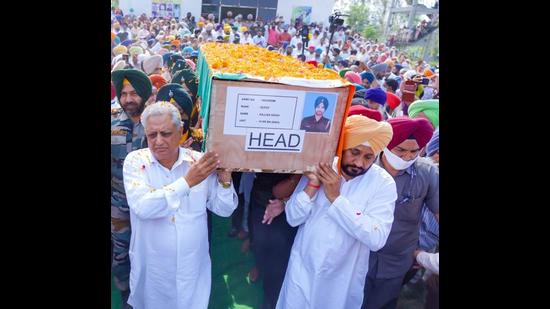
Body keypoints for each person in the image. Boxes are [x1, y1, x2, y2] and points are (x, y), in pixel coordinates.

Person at [123, 102, 238, 309]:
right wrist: (187, 182)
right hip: (154, 272)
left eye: (165, 133)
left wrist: (225, 180)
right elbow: (143, 206)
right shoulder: (135, 161)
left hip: (191, 269)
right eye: (152, 135)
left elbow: (224, 209)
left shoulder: (198, 162)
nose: (158, 141)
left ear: (180, 132)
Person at [277, 115, 397, 309]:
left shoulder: (383, 183)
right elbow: (293, 218)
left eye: (368, 157)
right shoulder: (323, 167)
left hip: (342, 281)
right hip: (303, 269)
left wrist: (335, 198)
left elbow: (376, 238)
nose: (359, 163)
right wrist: (313, 186)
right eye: (354, 152)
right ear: (341, 147)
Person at [362, 117, 438, 309]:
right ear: (387, 145)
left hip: (397, 260)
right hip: (358, 255)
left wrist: (427, 257)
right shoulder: (364, 165)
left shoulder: (426, 172)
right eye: (401, 150)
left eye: (414, 151)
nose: (407, 157)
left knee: (384, 304)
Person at [111, 69, 153, 308]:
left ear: (145, 95)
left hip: (151, 205)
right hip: (119, 205)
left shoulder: (157, 121)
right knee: (121, 255)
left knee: (150, 255)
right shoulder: (112, 121)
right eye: (124, 93)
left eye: (134, 93)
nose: (128, 99)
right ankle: (126, 295)